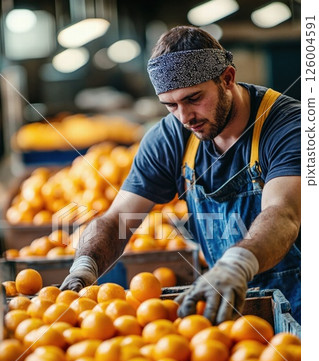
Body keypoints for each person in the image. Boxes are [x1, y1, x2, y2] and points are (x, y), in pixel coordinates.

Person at [61, 26, 301, 324]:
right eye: (170, 105)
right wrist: (85, 265)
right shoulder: (170, 137)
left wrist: (238, 264)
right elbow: (117, 219)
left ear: (227, 78)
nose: (185, 117)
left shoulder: (288, 127)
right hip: (235, 311)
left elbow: (283, 213)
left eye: (193, 98)